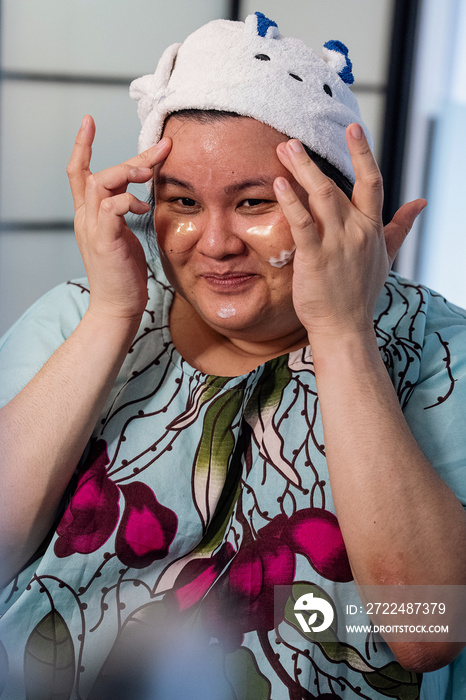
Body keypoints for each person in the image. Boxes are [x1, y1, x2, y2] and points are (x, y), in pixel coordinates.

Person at [0, 11, 465, 700]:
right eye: (180, 201)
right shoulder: (81, 310)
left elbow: (425, 628)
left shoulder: (437, 349)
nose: (213, 243)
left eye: (253, 202)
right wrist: (111, 316)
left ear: (337, 207)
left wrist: (342, 335)